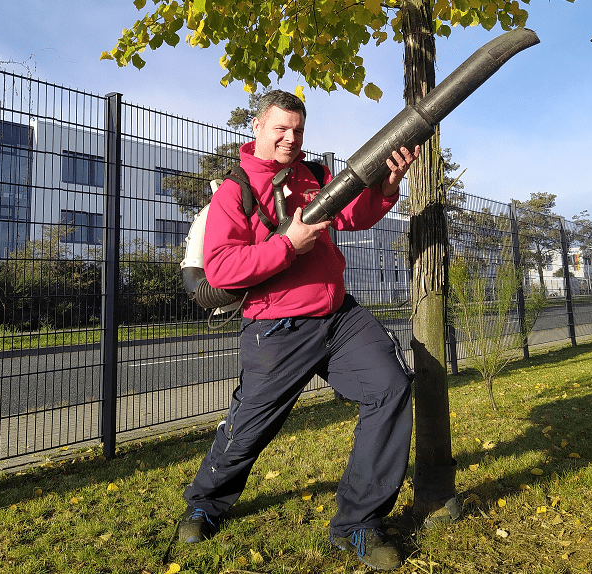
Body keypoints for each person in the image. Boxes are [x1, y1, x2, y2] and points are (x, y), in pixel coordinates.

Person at [178, 90, 419, 571]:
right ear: (257, 128)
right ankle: (205, 502)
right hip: (277, 328)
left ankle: (357, 525)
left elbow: (352, 215)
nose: (291, 138)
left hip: (338, 317)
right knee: (249, 429)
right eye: (281, 128)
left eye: (298, 129)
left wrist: (387, 186)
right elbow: (222, 269)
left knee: (391, 388)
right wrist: (288, 245)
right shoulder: (235, 190)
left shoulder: (314, 176)